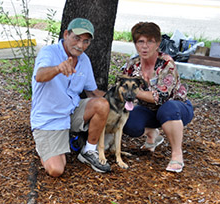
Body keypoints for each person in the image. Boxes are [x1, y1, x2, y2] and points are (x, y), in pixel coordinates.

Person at [30, 18, 111, 177]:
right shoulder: (49, 52)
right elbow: (39, 76)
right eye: (77, 38)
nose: (80, 45)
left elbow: (92, 93)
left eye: (86, 41)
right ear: (66, 34)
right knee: (56, 170)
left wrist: (120, 97)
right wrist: (58, 68)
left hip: (70, 113)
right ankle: (47, 146)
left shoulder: (84, 60)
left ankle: (88, 151)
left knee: (102, 104)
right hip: (48, 119)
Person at [122, 22, 194, 173]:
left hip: (177, 109)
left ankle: (177, 155)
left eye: (150, 41)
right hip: (149, 110)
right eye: (140, 41)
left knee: (167, 109)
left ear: (158, 44)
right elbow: (120, 87)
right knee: (129, 123)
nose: (145, 46)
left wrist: (134, 92)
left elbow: (160, 97)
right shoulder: (131, 64)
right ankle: (153, 134)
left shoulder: (166, 62)